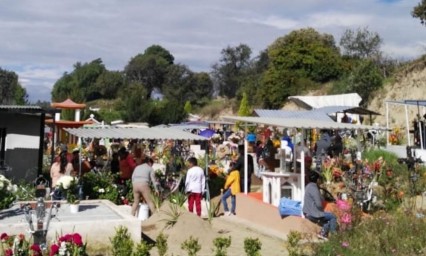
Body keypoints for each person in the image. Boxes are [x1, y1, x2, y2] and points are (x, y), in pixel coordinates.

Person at [303, 170, 337, 240]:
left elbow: (321, 198)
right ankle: (334, 236)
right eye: (319, 179)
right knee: (333, 217)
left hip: (307, 212)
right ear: (317, 179)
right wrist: (322, 209)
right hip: (313, 213)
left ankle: (323, 233)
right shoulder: (314, 188)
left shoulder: (309, 186)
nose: (320, 181)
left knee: (327, 219)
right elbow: (319, 204)